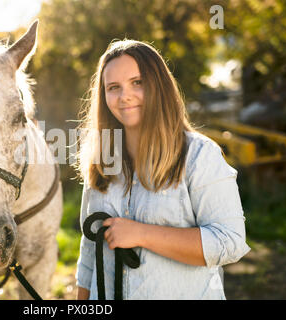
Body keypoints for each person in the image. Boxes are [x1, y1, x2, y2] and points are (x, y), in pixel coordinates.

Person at [73, 39, 251, 300]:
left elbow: (229, 242)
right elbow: (90, 249)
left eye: (137, 82)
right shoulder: (101, 159)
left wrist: (142, 234)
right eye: (113, 87)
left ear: (159, 85)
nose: (125, 96)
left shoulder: (199, 155)